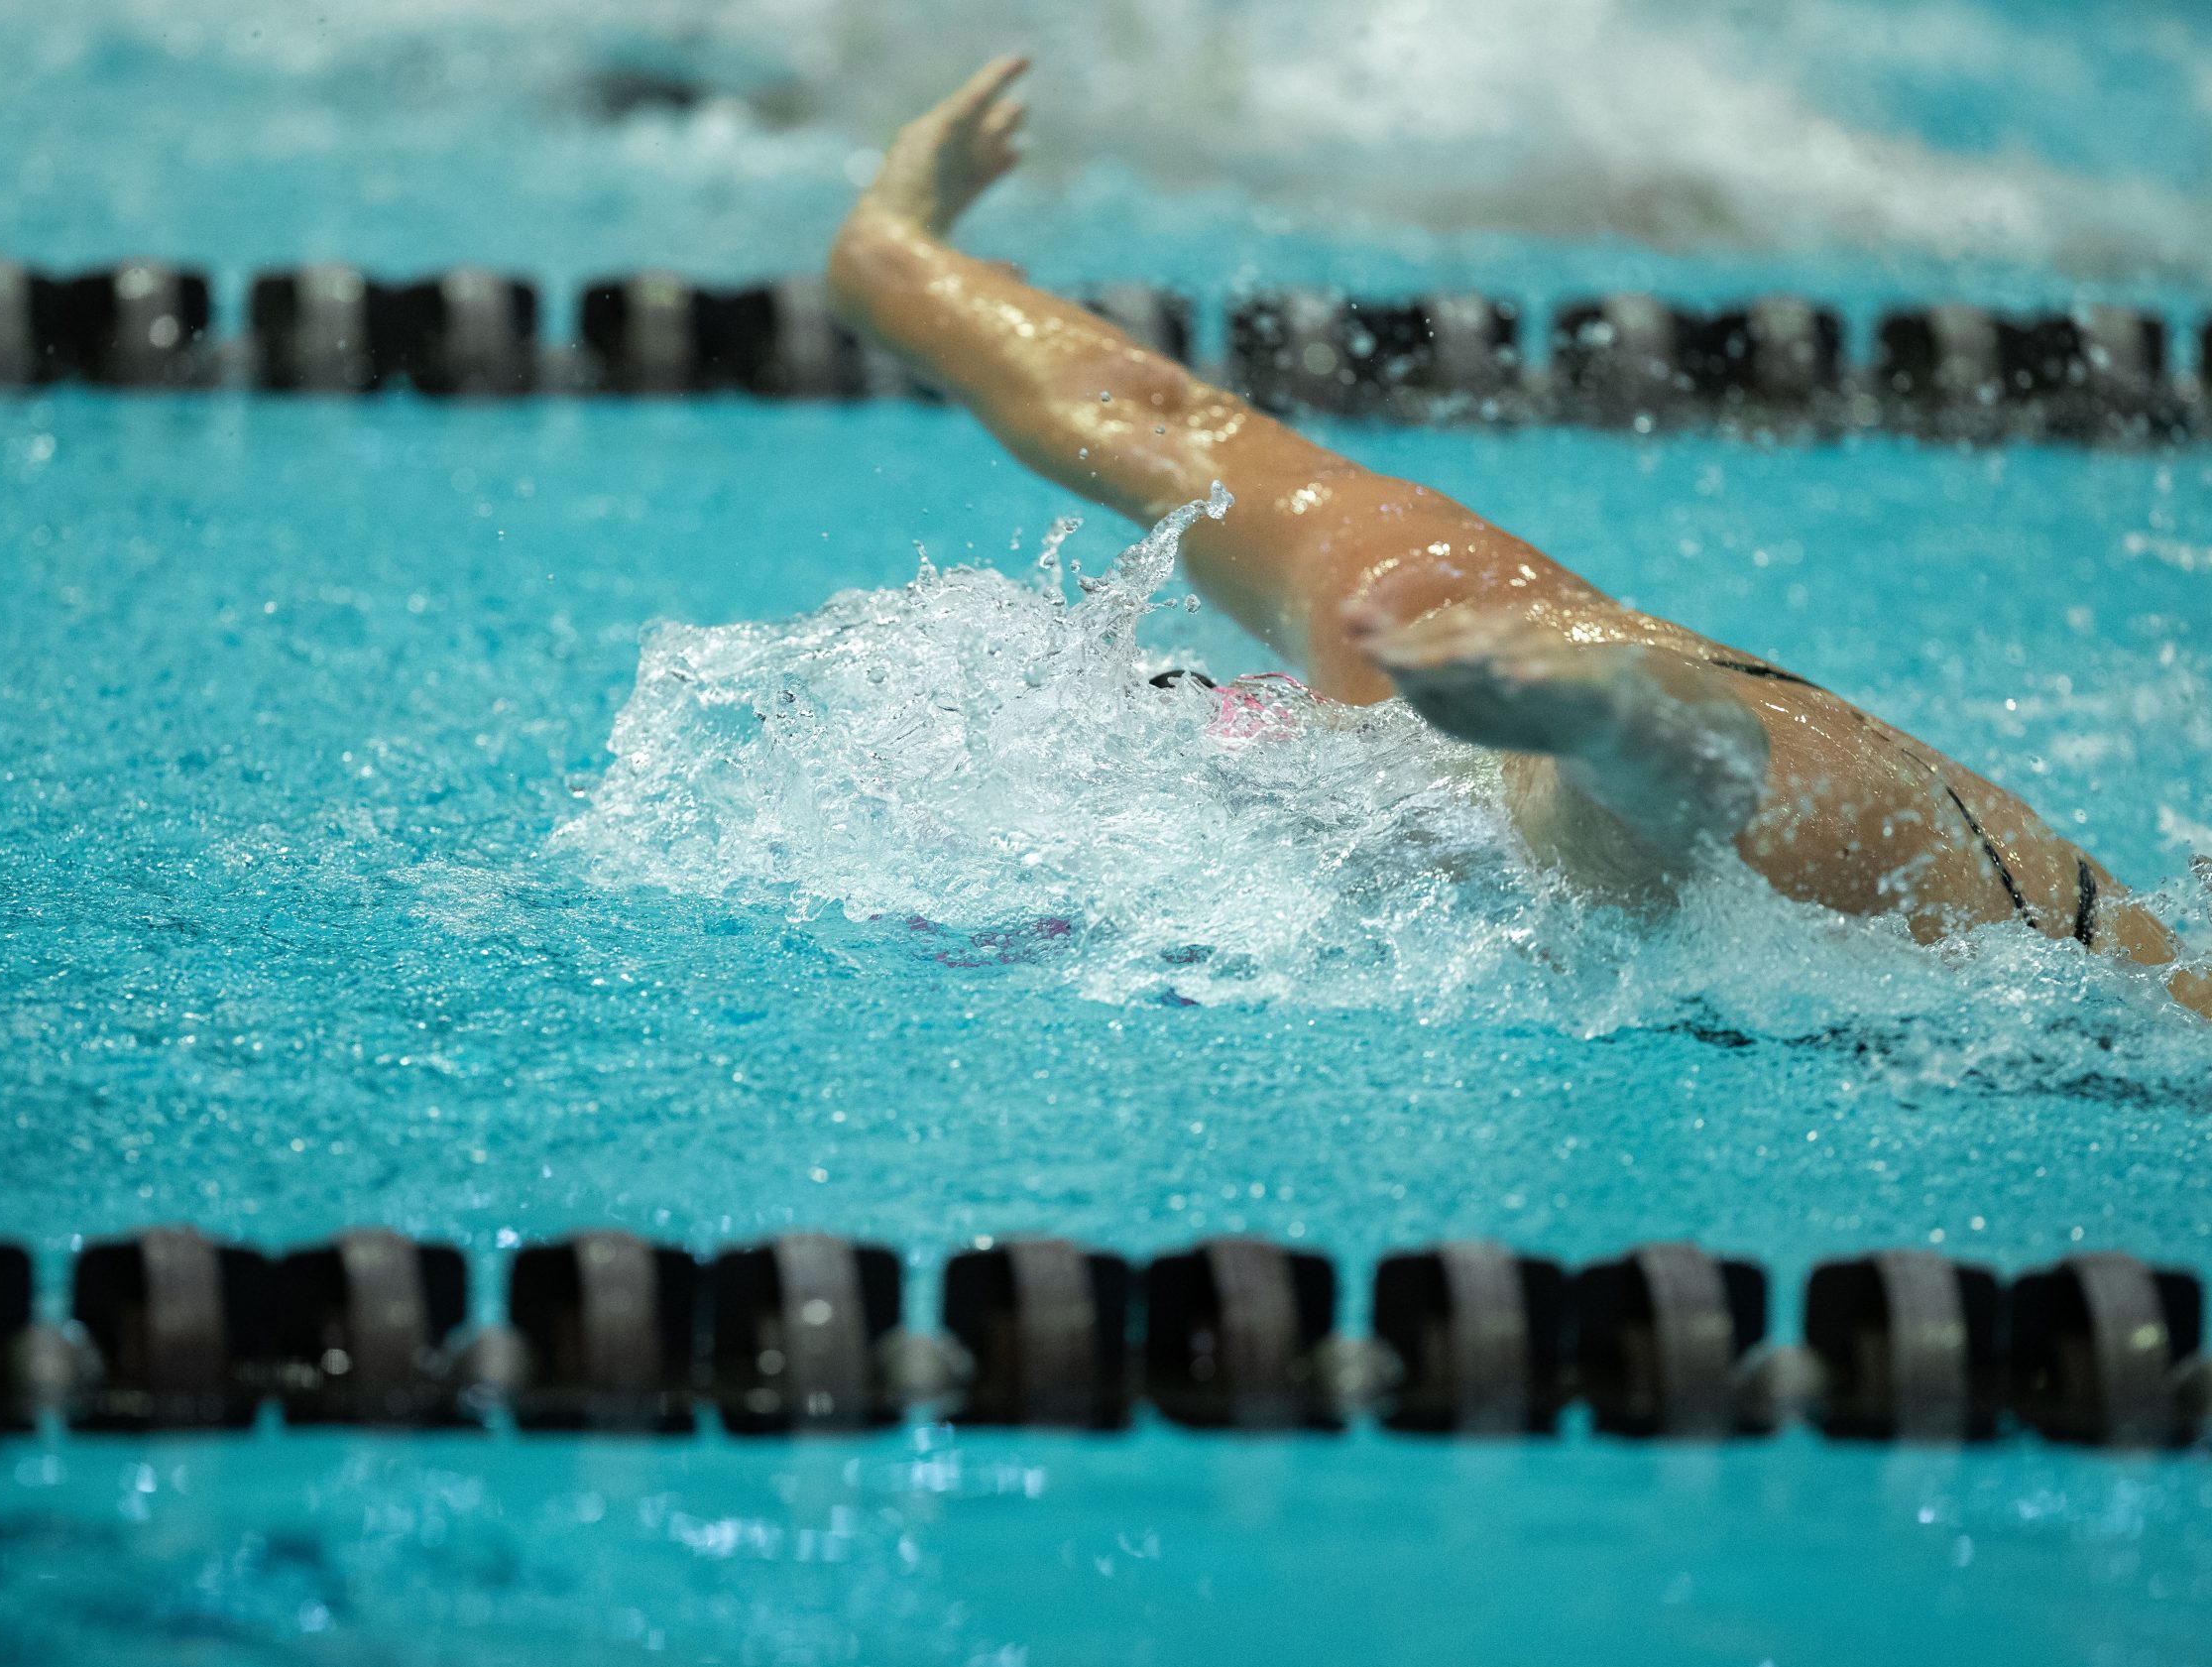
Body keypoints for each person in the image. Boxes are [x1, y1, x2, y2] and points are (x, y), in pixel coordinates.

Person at [825, 57, 2211, 1021]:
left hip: (2109, 1003)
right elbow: (1158, 421)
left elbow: (1698, 767)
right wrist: (900, 263)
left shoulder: (1586, 782)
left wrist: (1584, 709)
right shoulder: (1405, 623)